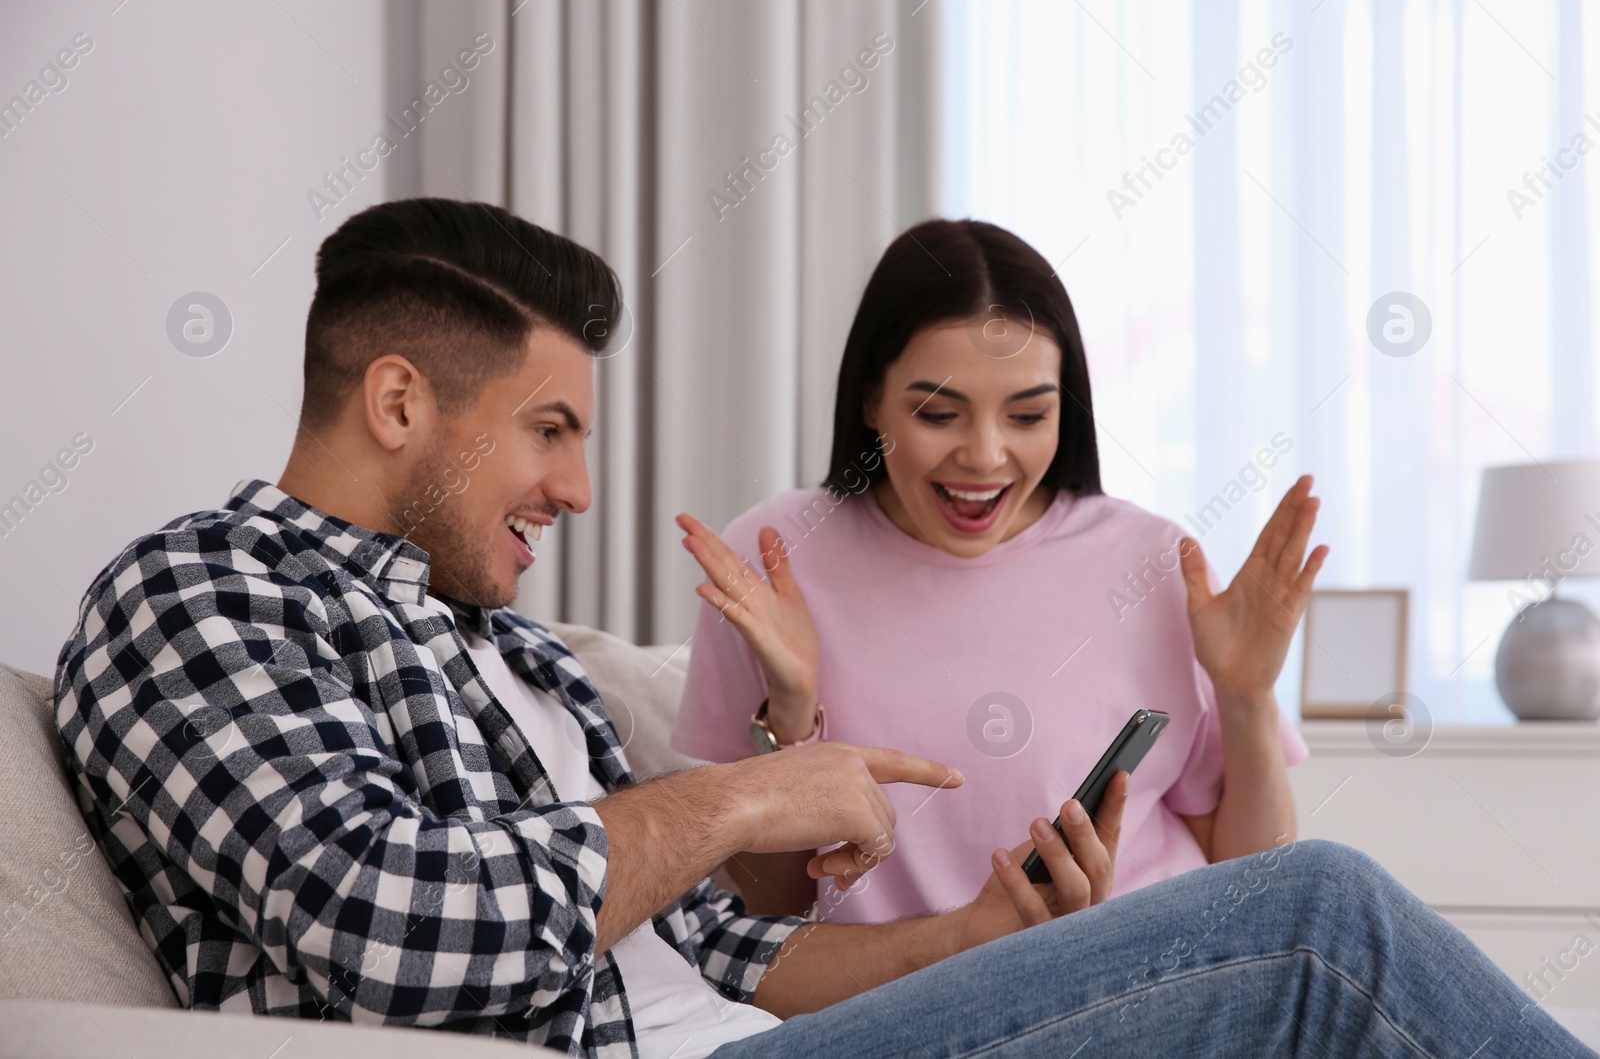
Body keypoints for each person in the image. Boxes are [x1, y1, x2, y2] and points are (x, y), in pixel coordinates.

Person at [54, 198, 1593, 1059]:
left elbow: (744, 946)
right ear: (400, 402)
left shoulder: (510, 653)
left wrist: (990, 935)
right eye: (546, 431)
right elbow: (383, 924)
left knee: (1300, 942)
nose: (580, 487)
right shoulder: (203, 593)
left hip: (741, 1039)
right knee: (1321, 918)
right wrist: (748, 788)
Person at [671, 219, 1313, 923]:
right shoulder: (776, 558)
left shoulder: (1155, 562)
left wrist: (1247, 694)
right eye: (938, 413)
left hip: (1145, 982)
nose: (984, 455)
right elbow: (766, 920)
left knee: (1338, 893)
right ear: (869, 400)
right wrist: (788, 719)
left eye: (1028, 414)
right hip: (897, 1004)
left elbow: (1256, 889)